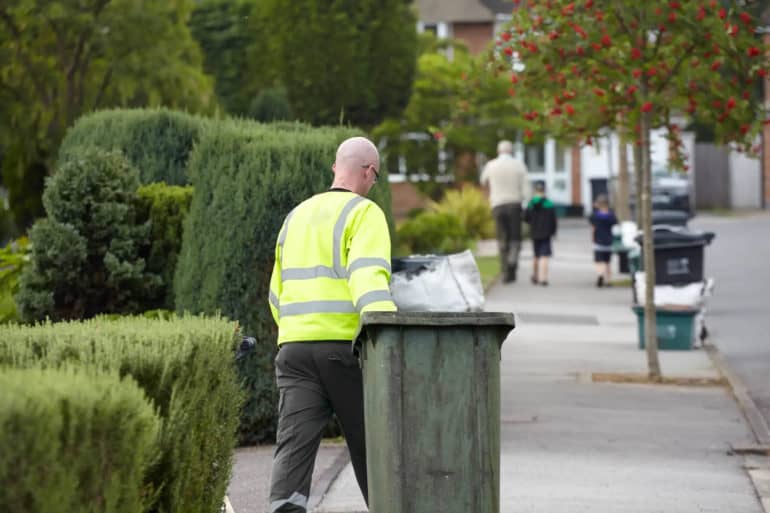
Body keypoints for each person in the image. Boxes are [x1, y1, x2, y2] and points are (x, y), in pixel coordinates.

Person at [267, 136, 397, 512]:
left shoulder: (296, 216)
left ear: (335, 170)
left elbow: (277, 292)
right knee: (372, 442)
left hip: (293, 351)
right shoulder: (364, 212)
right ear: (369, 172)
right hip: (345, 350)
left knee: (293, 446)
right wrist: (387, 334)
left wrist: (296, 329)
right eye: (376, 177)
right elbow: (368, 278)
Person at [480, 140, 531, 283]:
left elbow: (483, 180)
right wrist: (527, 203)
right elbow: (527, 187)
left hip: (498, 205)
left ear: (498, 151)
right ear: (511, 151)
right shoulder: (518, 165)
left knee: (502, 238)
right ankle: (512, 263)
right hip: (514, 204)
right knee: (515, 238)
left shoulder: (491, 165)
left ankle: (504, 270)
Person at [524, 182, 557, 286]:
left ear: (535, 190)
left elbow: (525, 217)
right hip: (546, 233)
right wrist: (553, 231)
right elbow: (553, 220)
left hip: (534, 232)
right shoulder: (549, 204)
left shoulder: (530, 203)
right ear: (544, 190)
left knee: (536, 255)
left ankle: (535, 275)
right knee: (545, 256)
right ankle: (544, 278)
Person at [589, 194, 618, 288]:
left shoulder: (595, 216)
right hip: (609, 241)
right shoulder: (611, 215)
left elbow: (593, 228)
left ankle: (600, 274)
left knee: (599, 261)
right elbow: (615, 225)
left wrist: (592, 238)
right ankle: (608, 280)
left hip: (598, 241)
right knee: (607, 262)